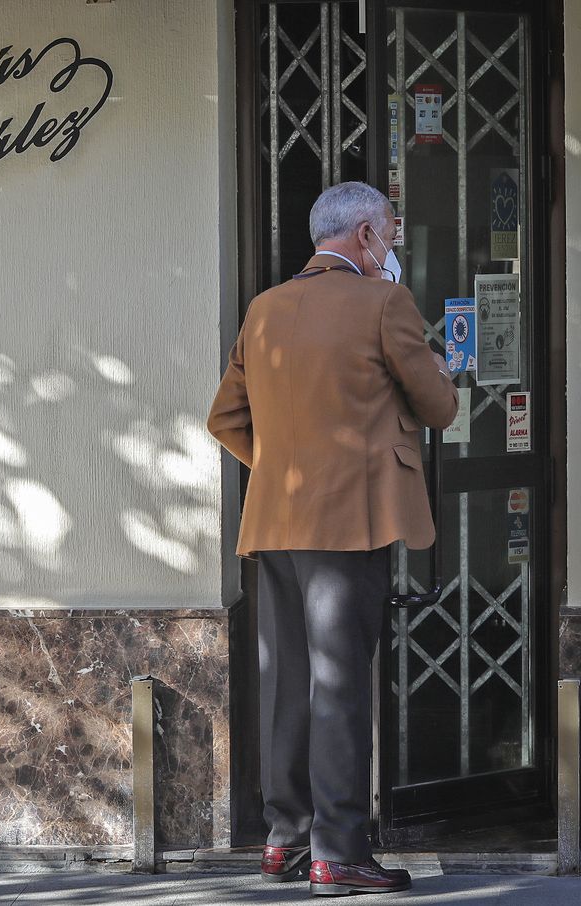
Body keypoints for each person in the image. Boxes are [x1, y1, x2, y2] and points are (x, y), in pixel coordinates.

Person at [206, 182, 457, 896]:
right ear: (364, 235)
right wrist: (442, 372)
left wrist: (289, 467)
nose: (393, 247)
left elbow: (225, 419)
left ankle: (285, 841)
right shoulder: (384, 304)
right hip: (349, 523)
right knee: (340, 686)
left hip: (276, 522)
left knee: (288, 681)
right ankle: (339, 851)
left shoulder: (264, 308)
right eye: (390, 234)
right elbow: (435, 405)